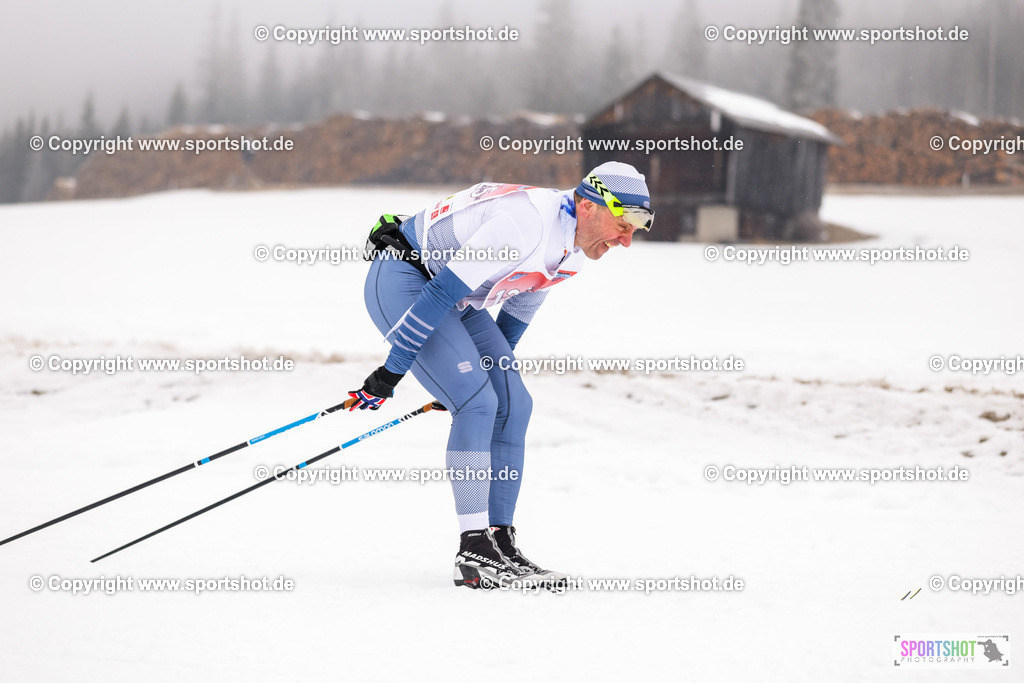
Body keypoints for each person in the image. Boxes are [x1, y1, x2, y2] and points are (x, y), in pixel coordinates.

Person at [350, 161, 654, 589]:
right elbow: (439, 293)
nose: (625, 241)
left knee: (511, 404)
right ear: (587, 206)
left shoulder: (573, 253)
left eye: (633, 232)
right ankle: (472, 549)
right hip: (407, 278)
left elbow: (516, 316)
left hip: (457, 297)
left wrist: (478, 374)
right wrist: (390, 373)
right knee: (478, 404)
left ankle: (499, 540)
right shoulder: (526, 223)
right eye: (622, 225)